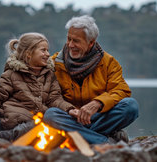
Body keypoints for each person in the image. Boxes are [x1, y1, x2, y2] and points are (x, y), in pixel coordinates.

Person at [43, 15, 139, 144]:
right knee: (51, 115)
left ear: (91, 42)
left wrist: (98, 103)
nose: (70, 45)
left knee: (131, 106)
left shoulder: (109, 62)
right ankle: (104, 142)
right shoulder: (55, 63)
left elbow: (121, 90)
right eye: (69, 39)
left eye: (76, 41)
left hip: (98, 117)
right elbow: (51, 97)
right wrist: (71, 110)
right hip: (70, 118)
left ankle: (81, 137)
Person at [0, 32, 75, 141]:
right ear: (28, 53)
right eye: (43, 50)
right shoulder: (12, 74)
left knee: (35, 128)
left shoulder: (50, 76)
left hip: (27, 121)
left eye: (47, 50)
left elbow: (55, 99)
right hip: (5, 117)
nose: (47, 54)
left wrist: (70, 109)